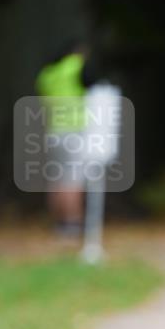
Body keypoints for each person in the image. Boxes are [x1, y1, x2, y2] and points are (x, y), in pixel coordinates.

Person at [35, 39, 91, 239]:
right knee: (73, 179)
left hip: (53, 132)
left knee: (56, 179)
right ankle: (73, 223)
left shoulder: (47, 75)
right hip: (74, 130)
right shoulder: (76, 66)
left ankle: (59, 222)